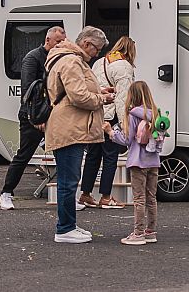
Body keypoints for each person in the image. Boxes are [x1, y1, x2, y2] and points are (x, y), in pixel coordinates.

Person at [45, 26, 115, 244]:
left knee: (70, 179)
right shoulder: (72, 61)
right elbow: (78, 97)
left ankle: (69, 225)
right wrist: (101, 99)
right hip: (69, 128)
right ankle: (64, 229)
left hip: (70, 126)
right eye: (97, 49)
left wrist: (98, 92)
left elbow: (77, 92)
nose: (98, 54)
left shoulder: (70, 60)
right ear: (86, 44)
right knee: (68, 181)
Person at [0, 26, 67, 210]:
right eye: (58, 41)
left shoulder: (60, 58)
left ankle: (68, 197)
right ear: (48, 40)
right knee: (24, 154)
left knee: (63, 154)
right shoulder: (33, 57)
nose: (61, 45)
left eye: (63, 41)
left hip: (53, 114)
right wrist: (37, 118)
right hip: (32, 114)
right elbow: (29, 91)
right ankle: (6, 193)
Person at [78, 36, 137, 209]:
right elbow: (122, 98)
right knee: (110, 157)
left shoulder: (100, 62)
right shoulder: (124, 66)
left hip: (96, 114)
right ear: (130, 50)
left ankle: (86, 194)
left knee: (93, 156)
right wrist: (125, 123)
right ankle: (105, 196)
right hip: (111, 117)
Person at [104, 80, 163, 245]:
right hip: (153, 161)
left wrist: (111, 132)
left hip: (138, 162)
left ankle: (138, 234)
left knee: (139, 199)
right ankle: (150, 231)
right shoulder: (156, 114)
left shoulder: (133, 114)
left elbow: (127, 140)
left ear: (132, 96)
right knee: (151, 198)